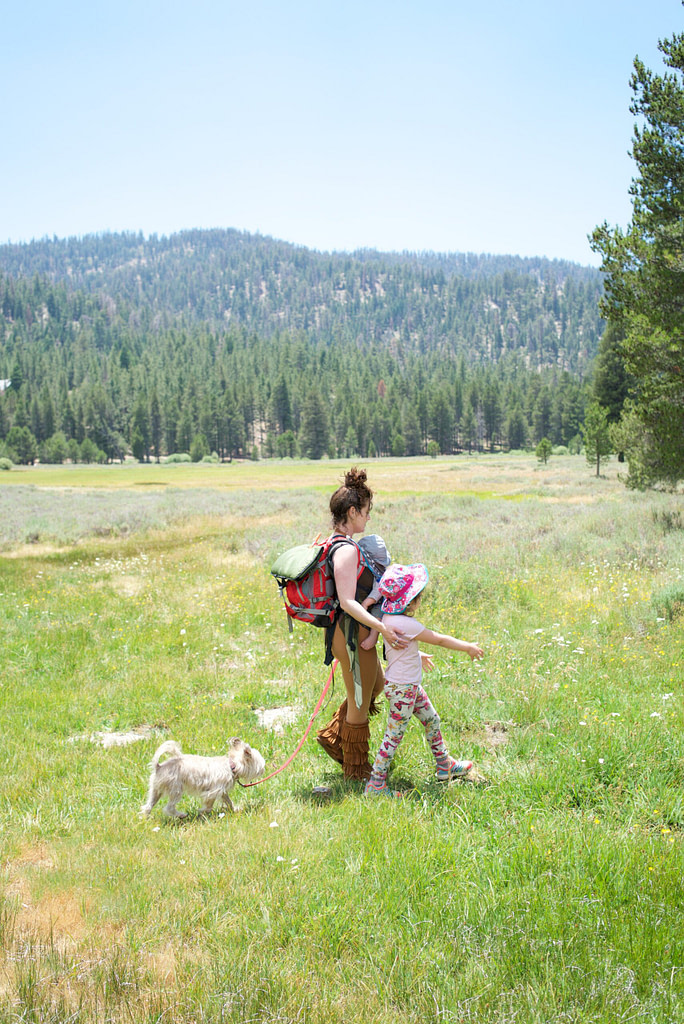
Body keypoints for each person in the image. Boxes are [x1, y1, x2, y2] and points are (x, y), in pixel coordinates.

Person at [364, 562, 484, 797]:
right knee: (393, 736)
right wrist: (467, 647)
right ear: (411, 601)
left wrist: (415, 655)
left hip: (407, 687)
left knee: (431, 719)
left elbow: (394, 649)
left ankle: (444, 765)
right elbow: (439, 639)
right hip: (403, 690)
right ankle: (375, 784)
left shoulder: (388, 619)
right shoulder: (407, 623)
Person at [315, 469, 406, 780]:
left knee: (376, 687)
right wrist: (380, 628)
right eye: (365, 513)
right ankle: (357, 771)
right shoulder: (346, 550)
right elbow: (347, 601)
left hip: (350, 633)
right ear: (352, 512)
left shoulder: (337, 543)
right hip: (351, 634)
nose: (367, 520)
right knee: (359, 699)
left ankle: (333, 738)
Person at [357, 534, 392, 651]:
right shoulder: (362, 567)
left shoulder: (380, 571)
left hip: (380, 597)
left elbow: (378, 589)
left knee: (378, 610)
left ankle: (373, 636)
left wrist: (367, 602)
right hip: (370, 594)